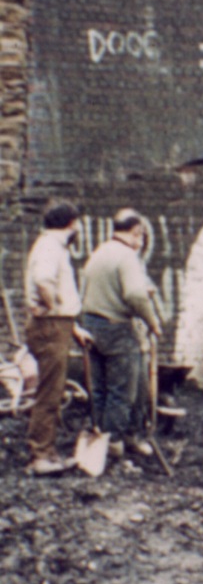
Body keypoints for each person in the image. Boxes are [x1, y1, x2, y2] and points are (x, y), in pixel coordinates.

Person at [80, 209, 162, 459]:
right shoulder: (127, 257)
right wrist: (153, 322)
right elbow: (135, 295)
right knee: (124, 390)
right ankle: (114, 445)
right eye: (141, 236)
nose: (141, 242)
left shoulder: (99, 252)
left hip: (91, 325)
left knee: (101, 388)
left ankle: (109, 437)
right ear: (136, 232)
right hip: (116, 327)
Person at [23, 199, 90, 475]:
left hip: (58, 325)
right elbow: (43, 280)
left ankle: (48, 452)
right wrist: (53, 309)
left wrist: (72, 327)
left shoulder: (51, 246)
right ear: (72, 223)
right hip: (51, 325)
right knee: (49, 393)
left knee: (53, 389)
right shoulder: (51, 247)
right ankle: (40, 456)